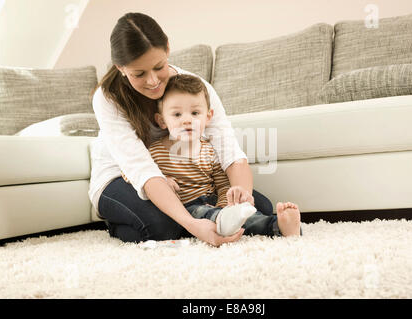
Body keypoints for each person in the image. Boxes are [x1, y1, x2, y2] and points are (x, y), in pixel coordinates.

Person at [88, 12, 275, 247]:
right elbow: (141, 170)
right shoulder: (107, 97)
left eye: (159, 67)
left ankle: (195, 218)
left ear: (167, 47)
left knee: (259, 207)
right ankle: (122, 219)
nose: (153, 81)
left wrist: (241, 200)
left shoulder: (194, 87)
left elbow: (230, 151)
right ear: (121, 67)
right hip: (120, 177)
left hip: (183, 178)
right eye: (139, 74)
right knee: (162, 227)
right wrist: (192, 224)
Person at [122, 74, 302, 238]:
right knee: (206, 215)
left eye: (194, 113)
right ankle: (226, 221)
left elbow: (223, 184)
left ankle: (277, 225)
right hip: (187, 207)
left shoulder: (210, 151)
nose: (186, 120)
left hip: (213, 202)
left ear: (208, 117)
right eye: (177, 114)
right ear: (161, 120)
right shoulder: (154, 151)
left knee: (250, 212)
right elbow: (132, 174)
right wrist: (162, 179)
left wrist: (227, 204)